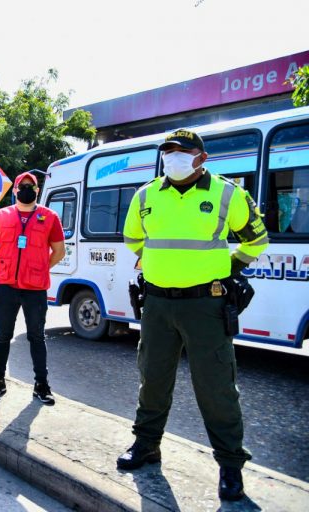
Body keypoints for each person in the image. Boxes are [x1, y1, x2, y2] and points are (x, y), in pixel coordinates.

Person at [119, 128, 268, 501]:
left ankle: (231, 465)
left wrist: (231, 267)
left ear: (201, 157)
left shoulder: (227, 193)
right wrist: (156, 262)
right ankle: (146, 446)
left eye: (181, 152)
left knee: (216, 387)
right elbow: (133, 239)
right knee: (152, 378)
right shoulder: (145, 195)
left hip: (207, 305)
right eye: (167, 152)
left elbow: (257, 239)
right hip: (156, 305)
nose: (173, 158)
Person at [0, 172, 65, 405]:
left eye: (32, 186)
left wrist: (41, 269)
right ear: (15, 190)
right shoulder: (1, 215)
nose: (27, 189)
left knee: (37, 337)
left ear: (38, 190)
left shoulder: (49, 216)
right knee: (2, 336)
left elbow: (59, 251)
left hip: (35, 289)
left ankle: (41, 385)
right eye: (23, 185)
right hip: (6, 287)